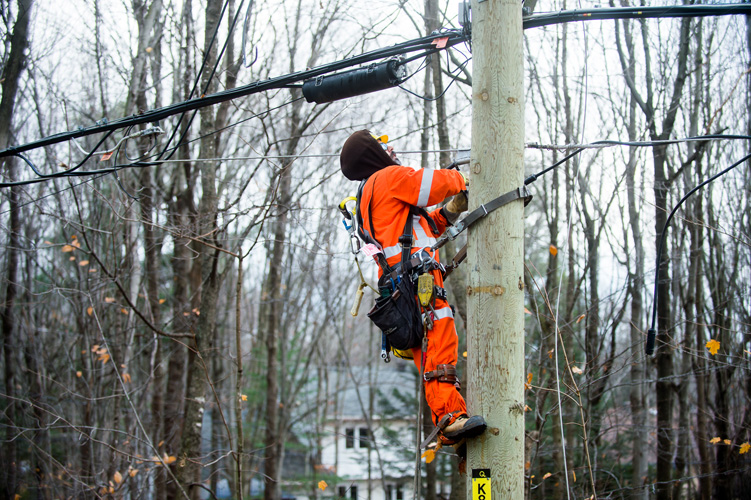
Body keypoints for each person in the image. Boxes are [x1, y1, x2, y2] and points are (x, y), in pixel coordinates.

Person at [339, 129, 486, 443]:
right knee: (440, 339)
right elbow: (430, 185)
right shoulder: (388, 178)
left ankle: (449, 415)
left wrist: (451, 210)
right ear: (371, 154)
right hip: (416, 280)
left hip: (399, 285)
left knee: (430, 350)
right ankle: (448, 417)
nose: (391, 152)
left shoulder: (368, 196)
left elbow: (420, 229)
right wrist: (464, 179)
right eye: (383, 147)